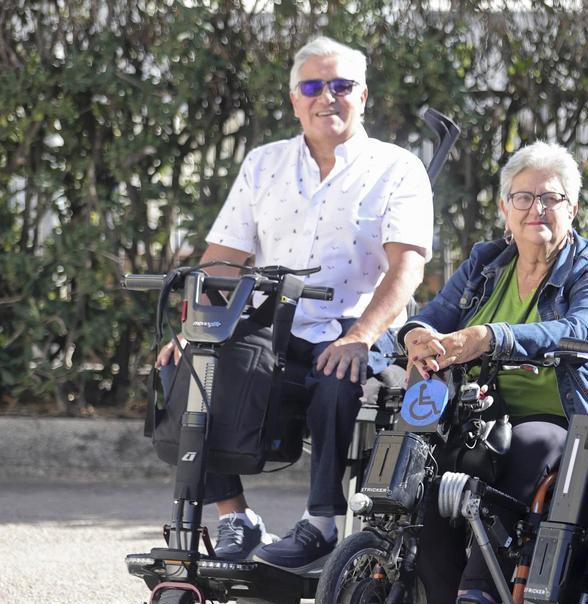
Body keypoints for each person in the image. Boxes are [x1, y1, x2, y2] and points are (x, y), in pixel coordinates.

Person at [154, 36, 432, 567]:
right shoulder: (264, 164)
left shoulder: (397, 168)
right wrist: (191, 330)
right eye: (312, 86)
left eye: (341, 85)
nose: (327, 97)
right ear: (294, 100)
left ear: (363, 96)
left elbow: (406, 270)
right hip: (273, 327)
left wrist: (359, 337)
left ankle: (320, 524)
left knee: (336, 379)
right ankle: (235, 517)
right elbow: (220, 263)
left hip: (360, 324)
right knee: (196, 371)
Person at [397, 141, 588, 604]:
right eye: (523, 198)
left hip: (565, 415)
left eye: (551, 198)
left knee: (523, 449)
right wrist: (416, 337)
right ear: (504, 208)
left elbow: (582, 328)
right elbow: (433, 315)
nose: (537, 210)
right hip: (483, 409)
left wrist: (492, 336)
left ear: (572, 208)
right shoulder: (487, 262)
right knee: (427, 466)